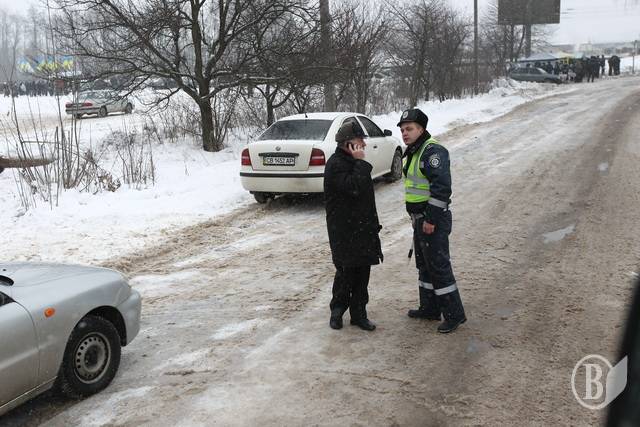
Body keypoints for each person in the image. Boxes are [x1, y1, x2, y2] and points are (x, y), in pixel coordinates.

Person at [399, 108, 466, 333]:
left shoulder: (433, 152)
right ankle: (429, 308)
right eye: (402, 129)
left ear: (421, 129)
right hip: (420, 220)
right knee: (425, 266)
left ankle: (454, 315)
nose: (404, 133)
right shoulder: (415, 150)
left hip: (432, 220)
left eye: (409, 129)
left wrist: (430, 219)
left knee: (438, 267)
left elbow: (441, 189)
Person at [324, 121, 383, 331]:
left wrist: (372, 224)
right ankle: (337, 311)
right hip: (344, 230)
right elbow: (354, 187)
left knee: (362, 273)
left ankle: (359, 314)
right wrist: (360, 162)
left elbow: (365, 195)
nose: (364, 144)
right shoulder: (335, 164)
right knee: (346, 273)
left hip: (362, 228)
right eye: (360, 140)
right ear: (348, 143)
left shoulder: (353, 162)